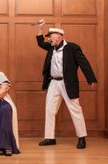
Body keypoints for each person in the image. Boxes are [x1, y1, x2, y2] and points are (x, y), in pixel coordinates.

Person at [36, 19, 98, 149]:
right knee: (49, 110)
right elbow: (40, 42)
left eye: (50, 37)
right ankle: (50, 138)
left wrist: (91, 78)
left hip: (67, 83)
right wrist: (40, 28)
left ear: (58, 37)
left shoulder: (72, 48)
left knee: (75, 109)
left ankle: (81, 138)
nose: (48, 40)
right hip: (53, 82)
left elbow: (83, 62)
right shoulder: (51, 48)